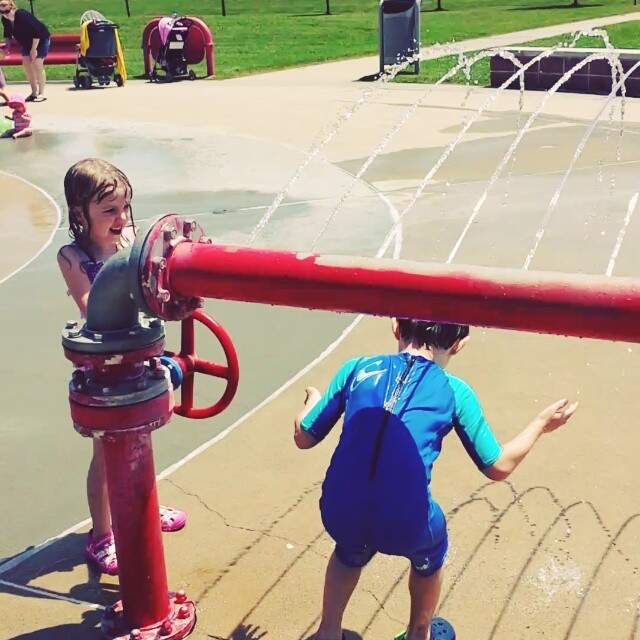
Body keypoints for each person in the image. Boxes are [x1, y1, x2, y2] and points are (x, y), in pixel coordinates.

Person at [294, 318, 578, 640]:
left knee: (350, 546)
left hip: (339, 511)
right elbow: (497, 465)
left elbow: (304, 436)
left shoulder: (356, 369)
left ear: (395, 328)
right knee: (431, 547)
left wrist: (312, 401)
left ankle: (328, 632)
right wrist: (540, 424)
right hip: (406, 524)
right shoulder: (455, 391)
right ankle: (420, 632)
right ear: (460, 344)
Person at [57, 158, 188, 576]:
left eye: (125, 207)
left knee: (143, 439)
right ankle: (101, 533)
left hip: (140, 359)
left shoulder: (131, 241)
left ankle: (142, 509)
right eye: (109, 210)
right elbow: (91, 306)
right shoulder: (73, 257)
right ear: (81, 214)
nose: (122, 218)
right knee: (105, 451)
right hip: (105, 371)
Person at [0, 0, 50, 101]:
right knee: (27, 65)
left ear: (12, 7)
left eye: (7, 11)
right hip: (26, 42)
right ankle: (33, 92)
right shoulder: (5, 19)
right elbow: (7, 34)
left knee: (37, 63)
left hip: (40, 39)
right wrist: (7, 47)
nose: (5, 14)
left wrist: (34, 49)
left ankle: (41, 93)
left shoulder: (22, 15)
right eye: (1, 12)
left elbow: (36, 32)